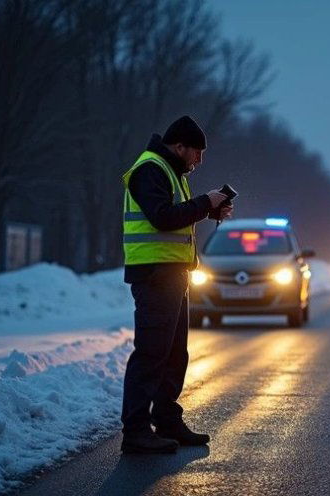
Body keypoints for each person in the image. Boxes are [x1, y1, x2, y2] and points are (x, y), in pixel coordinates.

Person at [119, 115, 232, 454]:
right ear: (179, 146)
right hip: (154, 274)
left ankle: (167, 420)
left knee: (173, 353)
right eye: (196, 153)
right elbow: (162, 217)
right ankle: (136, 432)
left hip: (172, 275)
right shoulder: (150, 169)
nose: (198, 162)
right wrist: (204, 203)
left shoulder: (171, 172)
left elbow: (175, 215)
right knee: (152, 353)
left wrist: (208, 211)